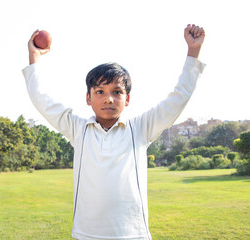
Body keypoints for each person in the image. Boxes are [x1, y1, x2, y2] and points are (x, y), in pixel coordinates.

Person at [23, 24, 206, 240]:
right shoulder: (78, 129)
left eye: (117, 92)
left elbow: (178, 98)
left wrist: (193, 52)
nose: (108, 98)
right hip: (87, 234)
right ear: (88, 98)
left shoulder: (140, 128)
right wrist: (34, 58)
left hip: (133, 235)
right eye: (100, 91)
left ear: (127, 99)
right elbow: (42, 99)